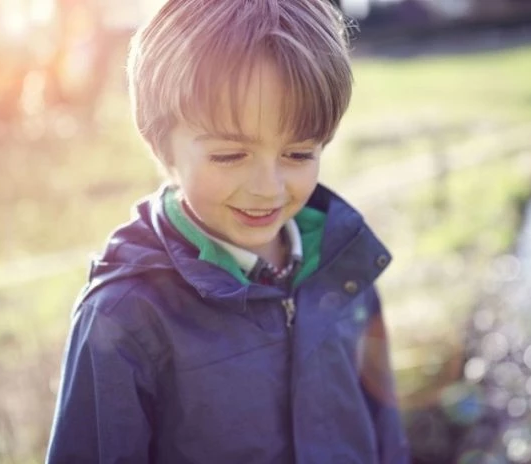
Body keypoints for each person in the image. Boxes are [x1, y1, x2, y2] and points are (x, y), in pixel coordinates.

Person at [46, 0, 409, 462]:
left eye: (298, 154)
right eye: (229, 155)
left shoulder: (344, 265)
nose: (267, 188)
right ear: (162, 144)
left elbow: (385, 429)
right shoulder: (124, 317)